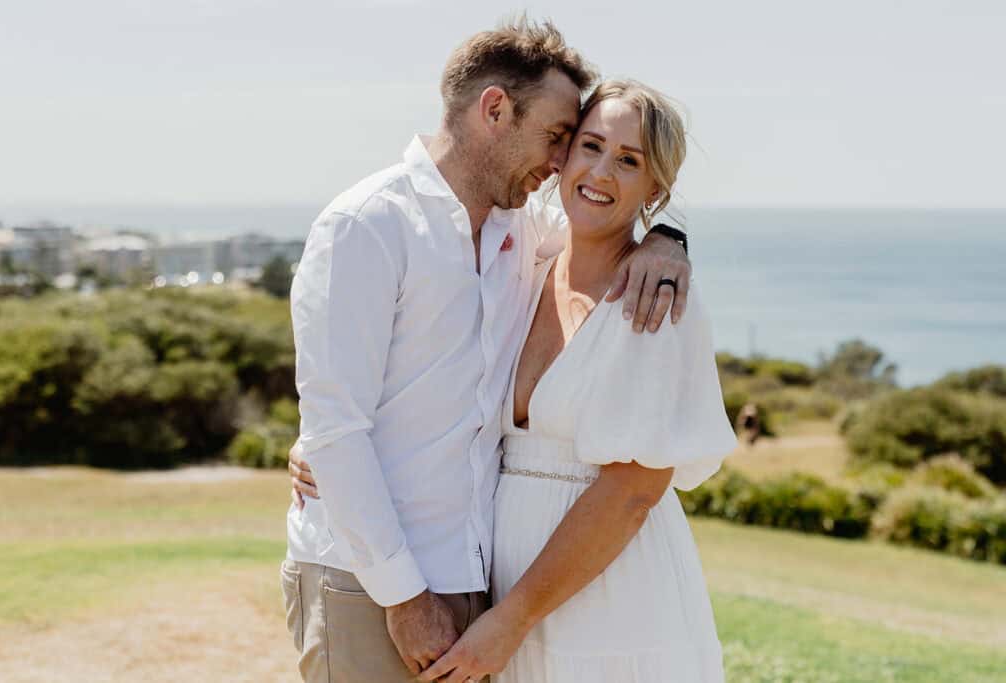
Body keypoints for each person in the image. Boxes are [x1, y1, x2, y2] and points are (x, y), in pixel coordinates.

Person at [281, 19, 693, 683]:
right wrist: (404, 596)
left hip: (475, 583)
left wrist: (666, 240)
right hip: (367, 580)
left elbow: (609, 220)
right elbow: (336, 427)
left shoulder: (522, 229)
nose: (562, 162)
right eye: (558, 136)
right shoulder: (368, 224)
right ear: (495, 109)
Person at [414, 80, 738, 682]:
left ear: (655, 190)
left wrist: (510, 620)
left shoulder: (657, 306)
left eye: (629, 161)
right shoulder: (526, 261)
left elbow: (633, 492)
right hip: (503, 590)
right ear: (563, 154)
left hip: (611, 598)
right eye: (591, 145)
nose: (601, 171)